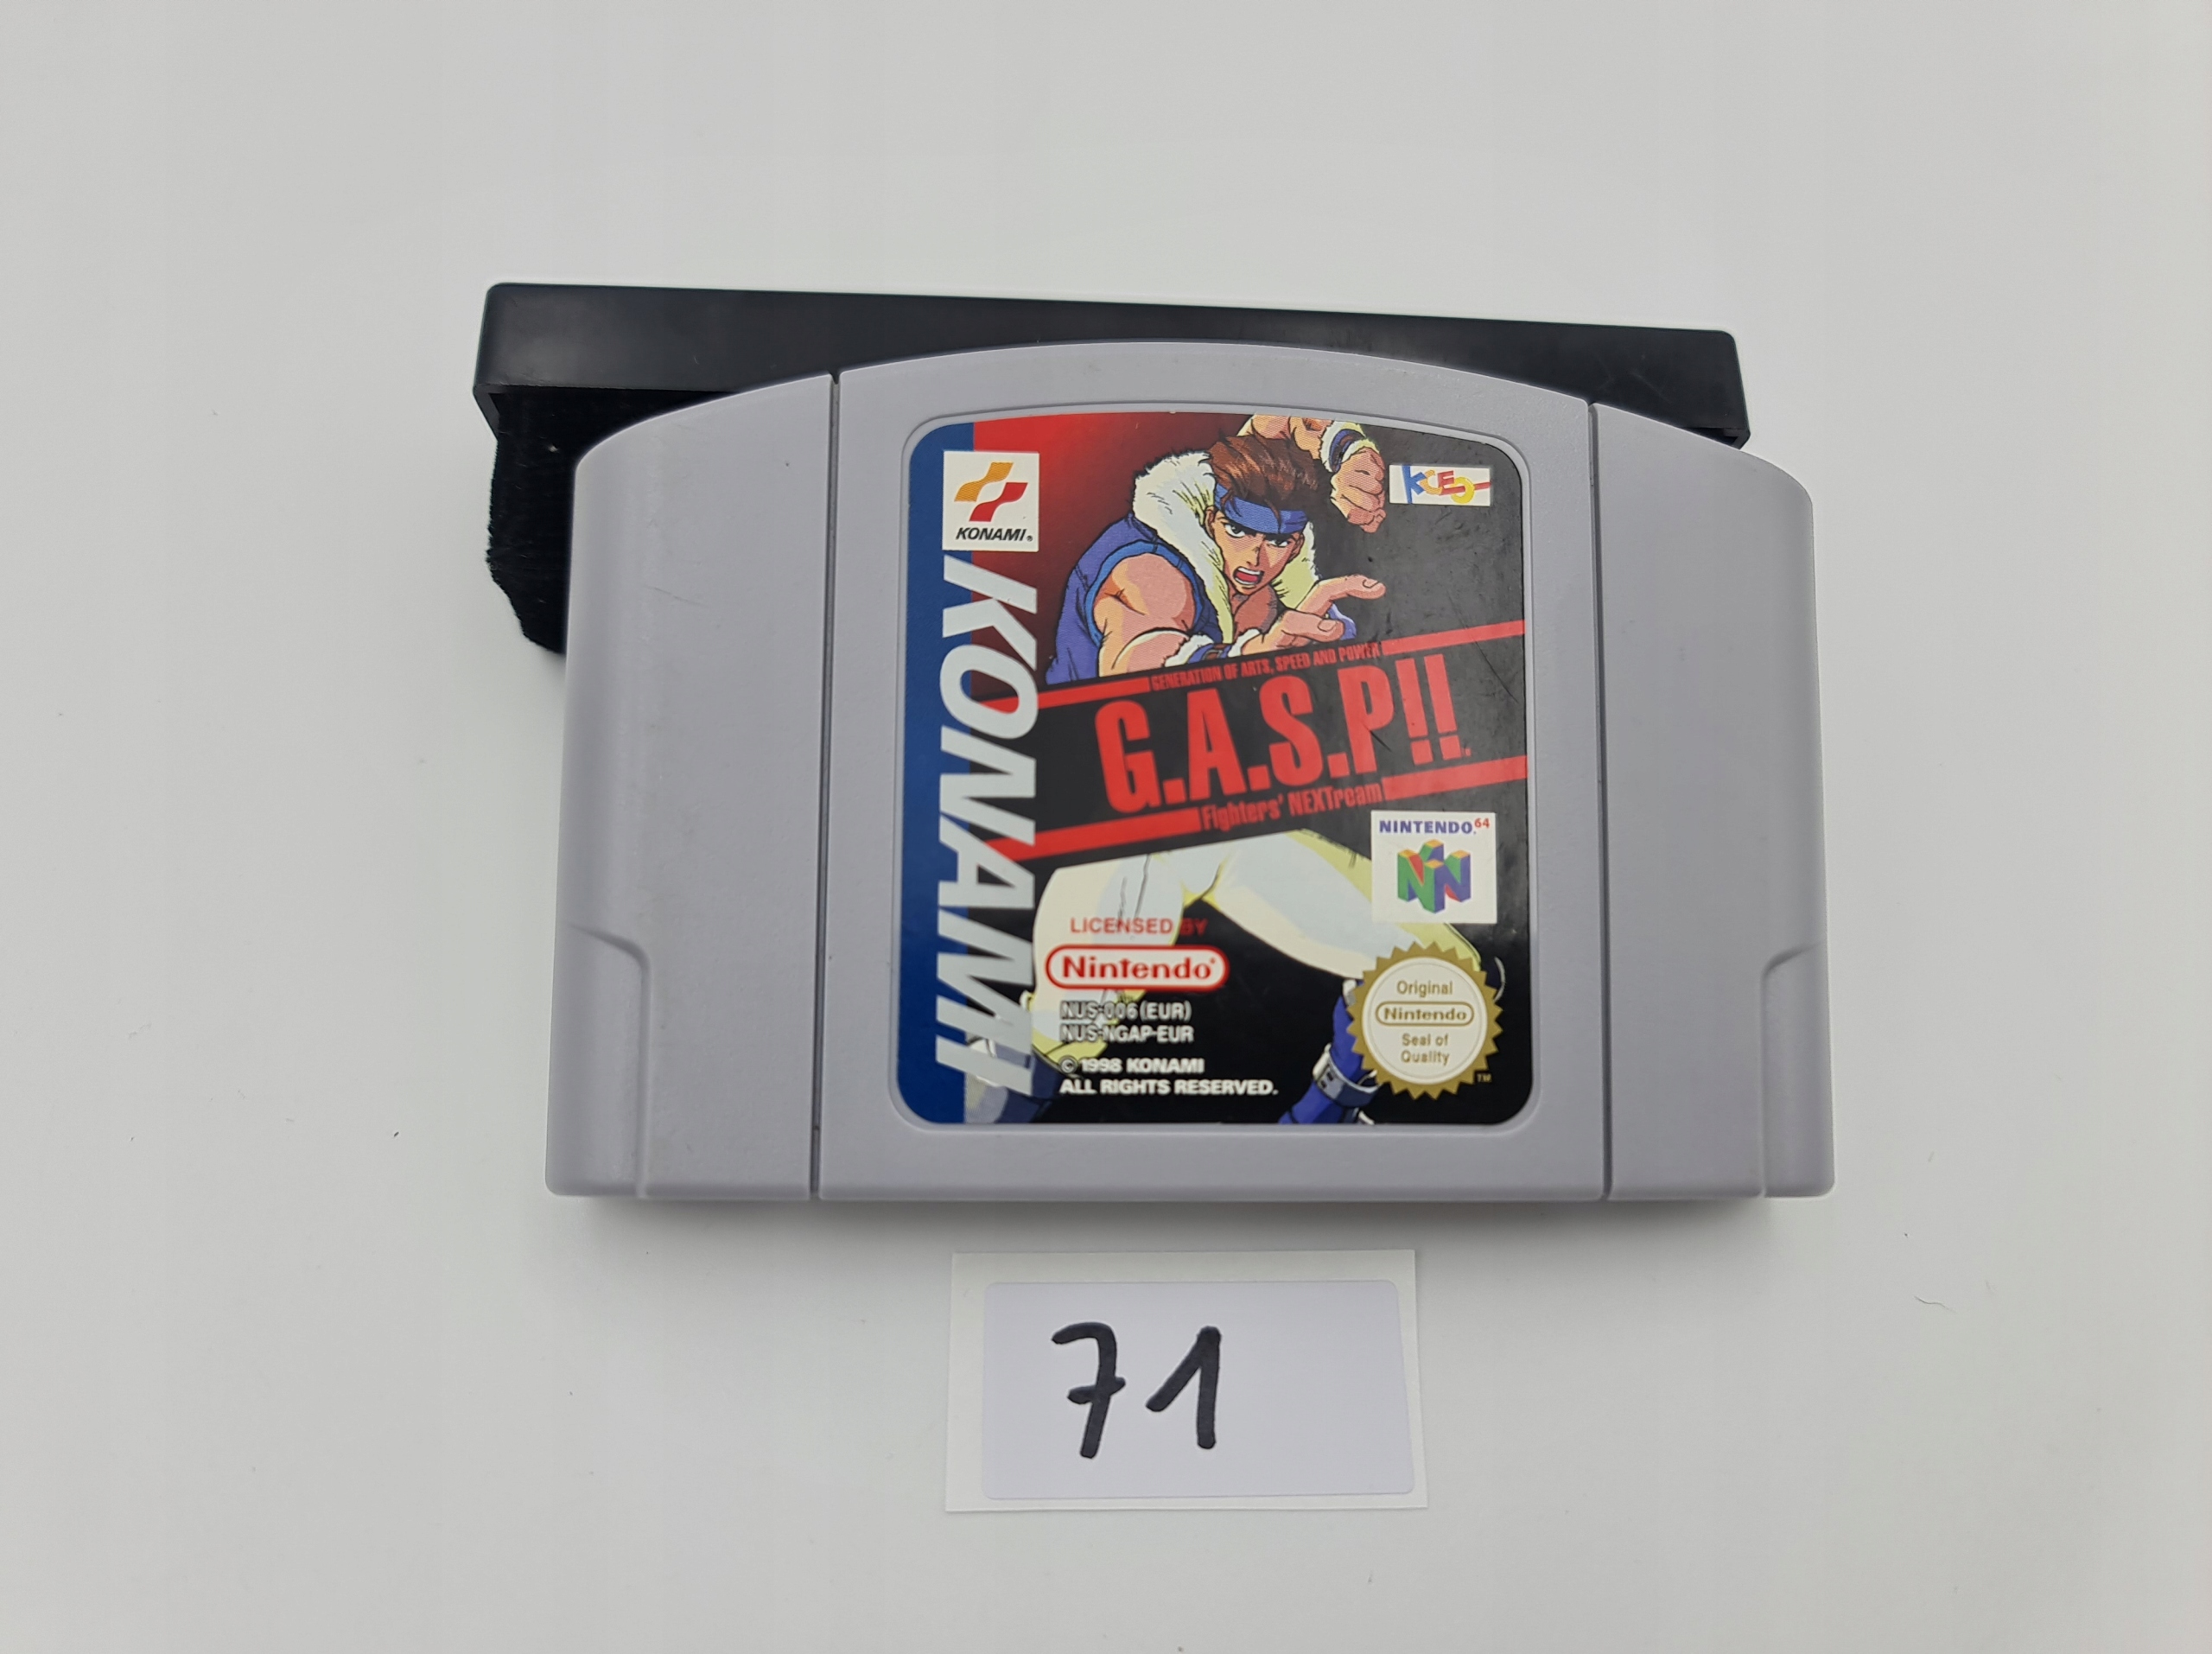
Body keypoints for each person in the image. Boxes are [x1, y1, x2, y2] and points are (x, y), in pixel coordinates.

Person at [1046, 417, 1389, 684]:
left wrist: (1350, 452)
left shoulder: (1267, 592)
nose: (1254, 559)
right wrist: (1241, 659)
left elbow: (1296, 417)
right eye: (1237, 531)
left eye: (1277, 542)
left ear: (1296, 544)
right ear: (1211, 520)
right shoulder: (1151, 571)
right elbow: (1137, 661)